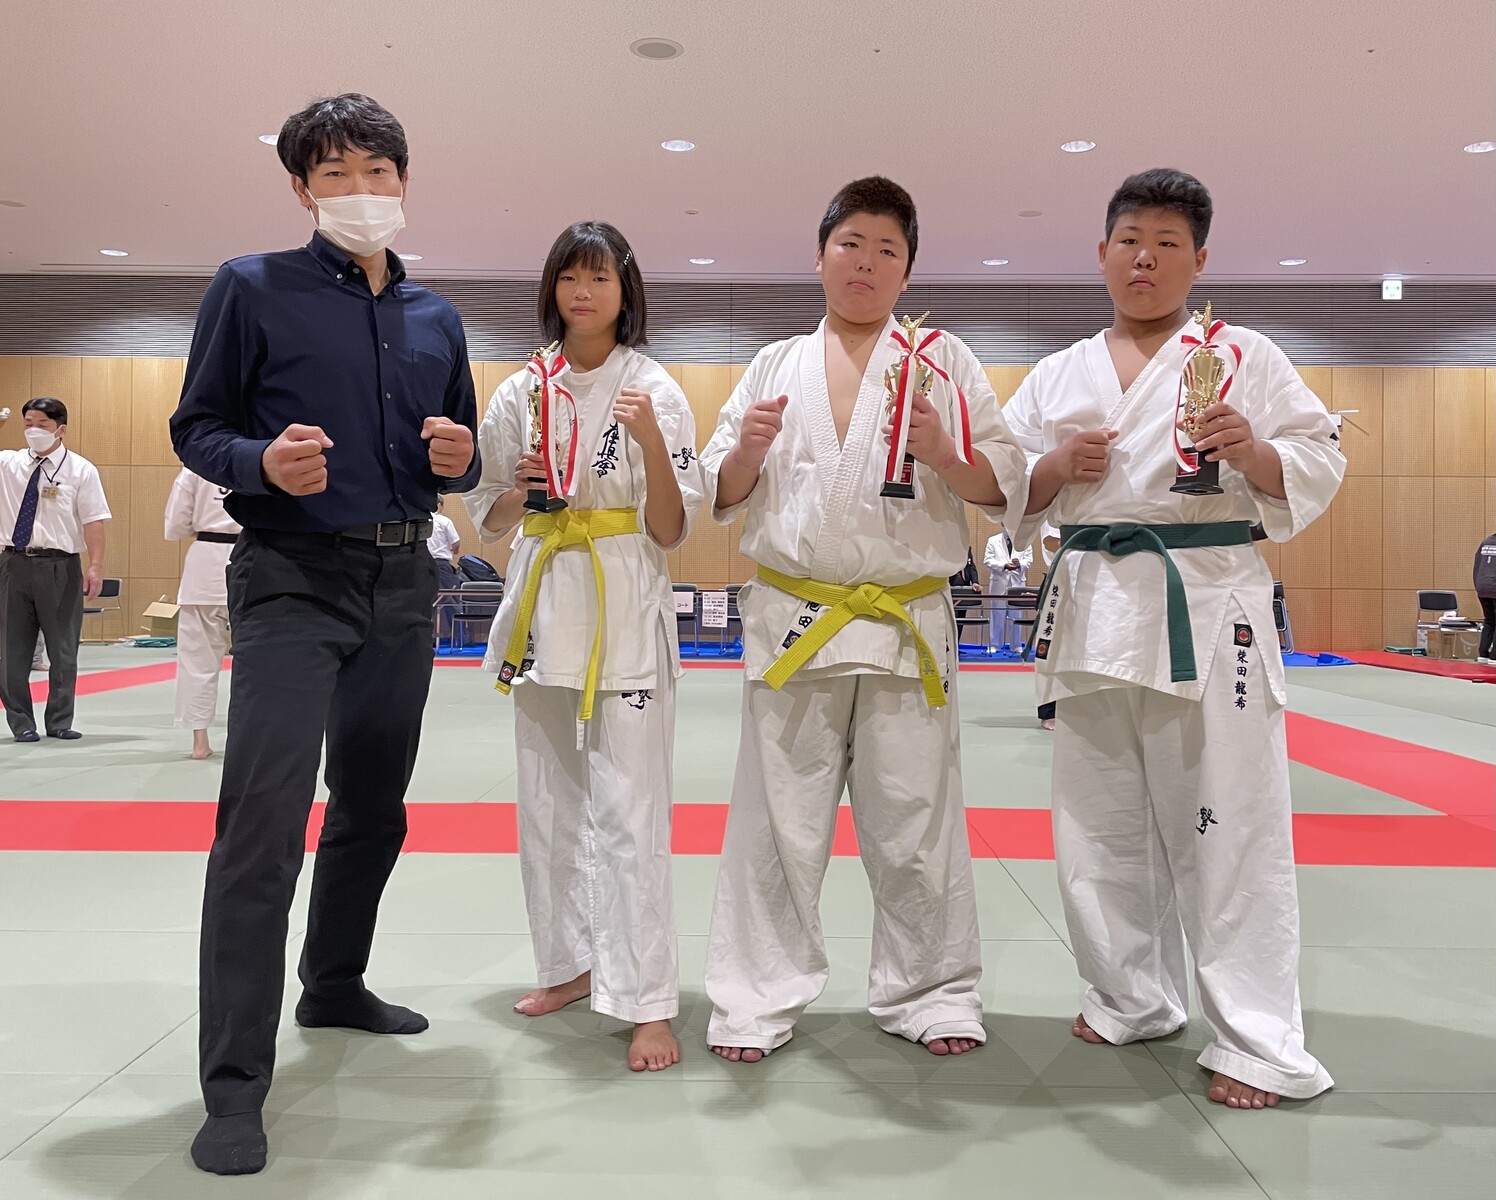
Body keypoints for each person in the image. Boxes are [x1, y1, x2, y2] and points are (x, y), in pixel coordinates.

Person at [170, 93, 478, 1175]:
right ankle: (233, 1087)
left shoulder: (437, 317)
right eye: (334, 174)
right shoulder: (250, 286)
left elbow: (459, 449)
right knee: (261, 825)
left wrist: (458, 457)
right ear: (301, 189)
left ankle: (335, 983)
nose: (359, 191)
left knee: (374, 805)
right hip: (291, 577)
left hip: (403, 579)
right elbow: (197, 426)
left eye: (375, 171)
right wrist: (259, 463)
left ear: (404, 181)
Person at [1004, 168, 1342, 1110]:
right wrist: (1052, 468)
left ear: (1199, 260)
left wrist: (1252, 449)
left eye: (1166, 243)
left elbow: (1318, 460)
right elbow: (1000, 488)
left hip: (1205, 599)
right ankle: (1129, 996)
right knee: (1099, 821)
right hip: (1091, 606)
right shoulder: (1058, 372)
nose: (1144, 259)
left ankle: (1258, 1038)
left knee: (1228, 826)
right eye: (1129, 240)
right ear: (1101, 253)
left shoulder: (1245, 356)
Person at [699, 177, 1029, 1063]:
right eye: (851, 243)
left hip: (903, 621)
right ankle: (754, 998)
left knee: (916, 820)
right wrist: (747, 454)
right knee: (776, 823)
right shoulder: (774, 365)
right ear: (820, 255)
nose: (867, 262)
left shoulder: (943, 361)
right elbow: (719, 491)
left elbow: (1003, 485)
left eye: (888, 249)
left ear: (908, 270)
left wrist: (944, 452)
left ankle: (931, 990)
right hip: (793, 618)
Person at [464, 220, 704, 1073]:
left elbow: (671, 530)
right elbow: (488, 517)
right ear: (552, 288)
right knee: (547, 804)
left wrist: (652, 448)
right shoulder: (520, 391)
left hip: (624, 604)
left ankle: (648, 1002)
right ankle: (568, 965)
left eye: (600, 277)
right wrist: (519, 491)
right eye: (570, 276)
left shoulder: (654, 389)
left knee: (632, 811)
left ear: (625, 291)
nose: (583, 292)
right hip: (541, 602)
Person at [0, 399, 110, 743]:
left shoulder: (81, 470)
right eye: (28, 423)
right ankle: (21, 722)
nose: (33, 430)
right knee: (11, 650)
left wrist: (95, 566)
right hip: (13, 563)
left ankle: (60, 721)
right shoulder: (7, 463)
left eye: (42, 425)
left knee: (63, 649)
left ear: (60, 429)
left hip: (60, 565)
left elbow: (93, 521)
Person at [164, 468, 240, 759]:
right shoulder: (263, 456)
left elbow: (175, 526)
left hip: (205, 565)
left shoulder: (196, 467)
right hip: (254, 561)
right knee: (257, 661)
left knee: (197, 659)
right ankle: (251, 739)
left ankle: (200, 741)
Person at [982, 524, 1032, 647]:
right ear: (1002, 524)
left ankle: (1016, 645)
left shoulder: (1024, 541)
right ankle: (995, 644)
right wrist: (1004, 566)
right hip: (999, 582)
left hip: (1017, 583)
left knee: (1016, 615)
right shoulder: (993, 540)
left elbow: (1028, 560)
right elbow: (988, 560)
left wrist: (1019, 564)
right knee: (997, 615)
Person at [427, 496, 462, 642]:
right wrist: (454, 551)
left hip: (424, 563)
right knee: (450, 599)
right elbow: (456, 543)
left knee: (427, 601)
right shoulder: (444, 521)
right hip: (441, 565)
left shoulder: (423, 520)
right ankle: (460, 638)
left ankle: (427, 639)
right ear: (439, 505)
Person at [1475, 531, 1496, 663]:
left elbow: (1477, 566)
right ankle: (1495, 656)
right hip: (1494, 585)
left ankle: (1483, 654)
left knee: (1489, 620)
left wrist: (1478, 586)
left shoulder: (1486, 542)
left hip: (1482, 586)